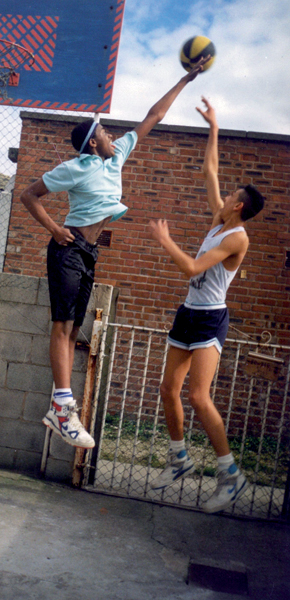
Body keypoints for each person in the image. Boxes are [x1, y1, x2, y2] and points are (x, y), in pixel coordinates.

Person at [19, 60, 210, 449]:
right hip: (69, 248)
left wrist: (185, 79)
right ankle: (61, 407)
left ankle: (62, 408)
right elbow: (28, 195)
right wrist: (55, 229)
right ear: (93, 143)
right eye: (104, 132)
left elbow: (153, 116)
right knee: (62, 326)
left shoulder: (117, 155)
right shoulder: (75, 168)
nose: (112, 134)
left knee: (73, 330)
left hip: (88, 252)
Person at [148, 97, 265, 513]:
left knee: (199, 396)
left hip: (211, 319)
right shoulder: (220, 219)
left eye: (232, 193)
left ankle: (230, 473)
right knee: (168, 389)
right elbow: (209, 170)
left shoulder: (237, 238)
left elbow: (193, 266)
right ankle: (179, 458)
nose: (227, 191)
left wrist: (166, 242)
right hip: (187, 313)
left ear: (238, 207)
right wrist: (214, 126)